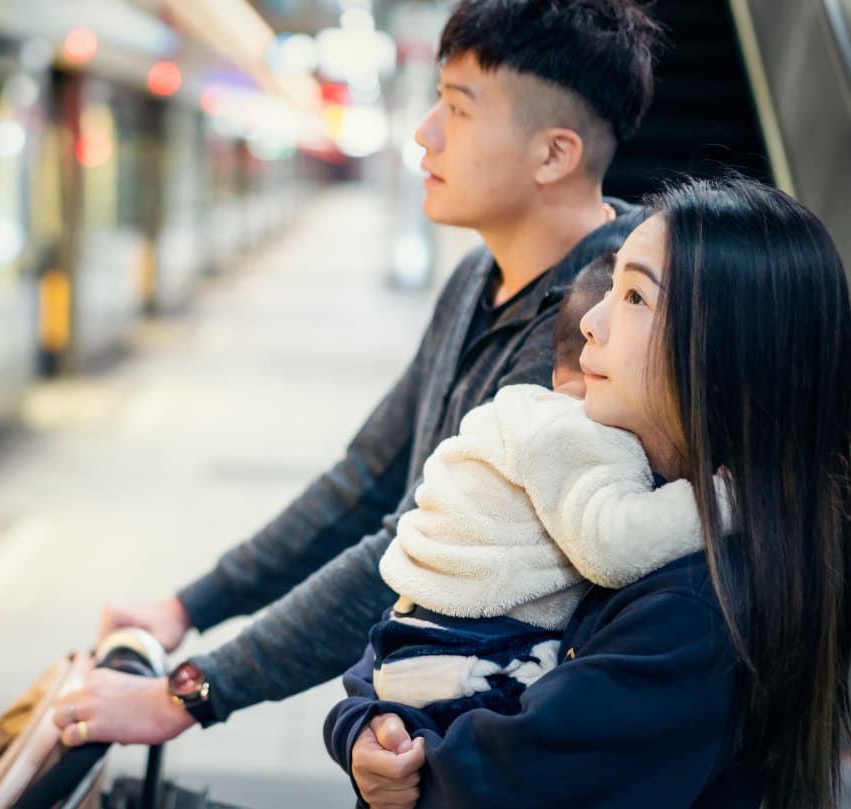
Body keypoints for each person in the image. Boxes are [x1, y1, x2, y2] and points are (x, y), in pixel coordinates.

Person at [52, 0, 662, 749]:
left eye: (458, 109)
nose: (424, 133)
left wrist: (191, 692)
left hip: (506, 747)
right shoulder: (477, 277)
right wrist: (188, 605)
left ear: (553, 154)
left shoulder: (599, 330)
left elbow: (412, 551)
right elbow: (363, 479)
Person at [344, 176, 851, 808]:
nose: (590, 321)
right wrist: (364, 722)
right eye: (610, 289)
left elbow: (483, 788)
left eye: (636, 296)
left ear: (729, 349)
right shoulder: (614, 494)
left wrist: (393, 753)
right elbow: (423, 610)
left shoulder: (694, 609)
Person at [325, 254, 721, 751]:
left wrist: (356, 720)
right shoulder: (585, 432)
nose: (599, 325)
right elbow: (615, 542)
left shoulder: (511, 413)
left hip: (404, 648)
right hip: (479, 663)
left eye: (635, 298)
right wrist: (723, 499)